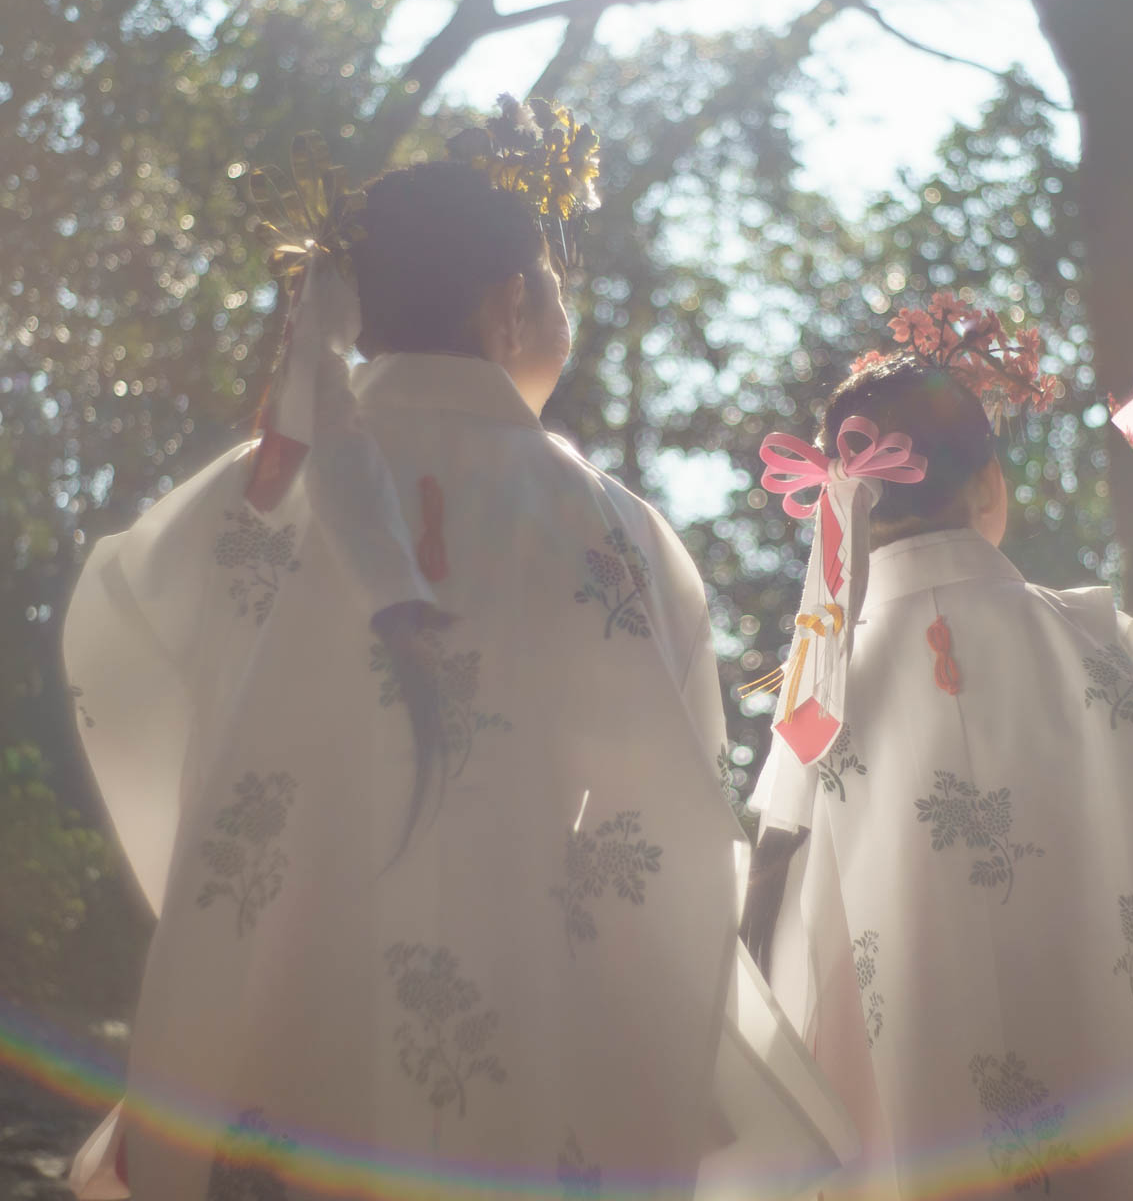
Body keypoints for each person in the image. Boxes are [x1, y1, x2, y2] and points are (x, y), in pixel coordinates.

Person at [61, 104, 848, 1200]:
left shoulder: (259, 495)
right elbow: (667, 803)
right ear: (510, 301)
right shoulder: (605, 519)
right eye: (558, 294)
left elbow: (128, 632)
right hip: (529, 980)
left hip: (293, 958)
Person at [743, 303, 1133, 1200]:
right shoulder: (1101, 645)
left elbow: (784, 943)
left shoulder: (819, 700)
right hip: (1117, 1069)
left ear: (845, 503)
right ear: (988, 486)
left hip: (908, 1112)